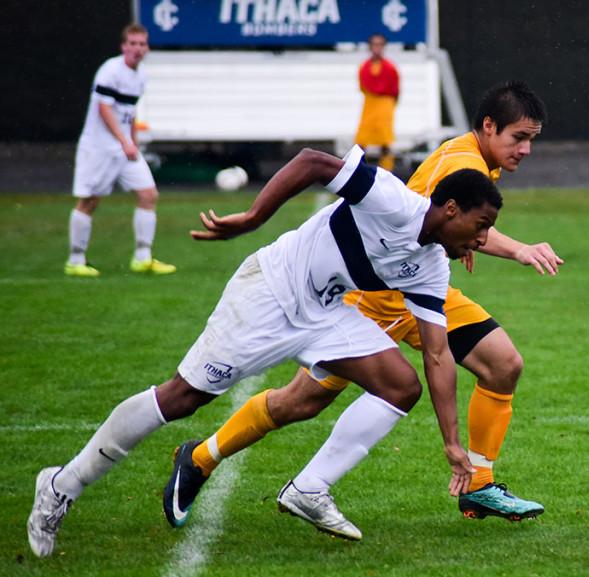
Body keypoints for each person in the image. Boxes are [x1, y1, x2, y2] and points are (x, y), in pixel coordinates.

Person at [27, 145, 503, 556]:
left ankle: (310, 489)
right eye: (481, 226)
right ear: (451, 208)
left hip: (323, 313)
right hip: (270, 291)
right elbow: (313, 162)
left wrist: (451, 443)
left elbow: (438, 355)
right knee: (183, 398)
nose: (482, 240)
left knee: (401, 386)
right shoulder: (394, 202)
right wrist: (253, 218)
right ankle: (61, 484)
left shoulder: (431, 267)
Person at [162, 81, 557, 532]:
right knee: (301, 401)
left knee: (503, 363)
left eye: (531, 140)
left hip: (422, 292)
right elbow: (438, 215)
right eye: (519, 138)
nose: (525, 149)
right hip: (377, 300)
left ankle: (478, 483)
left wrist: (465, 243)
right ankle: (199, 458)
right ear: (489, 127)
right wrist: (518, 248)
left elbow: (453, 224)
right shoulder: (463, 159)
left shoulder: (477, 160)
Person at [66, 23, 175, 277]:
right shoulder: (110, 70)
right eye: (133, 44)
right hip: (99, 147)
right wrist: (123, 140)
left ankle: (142, 258)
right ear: (124, 46)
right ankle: (75, 260)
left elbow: (130, 110)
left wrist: (132, 140)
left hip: (124, 148)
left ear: (147, 48)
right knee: (89, 201)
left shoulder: (141, 75)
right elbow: (104, 109)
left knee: (149, 194)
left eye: (142, 44)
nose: (138, 49)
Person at [354, 33, 400, 172]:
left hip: (385, 106)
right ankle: (357, 171)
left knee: (385, 143)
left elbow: (395, 90)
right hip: (369, 106)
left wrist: (388, 106)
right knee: (361, 142)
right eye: (374, 44)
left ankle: (387, 172)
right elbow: (363, 87)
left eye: (380, 44)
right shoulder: (364, 67)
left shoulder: (390, 67)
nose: (377, 48)